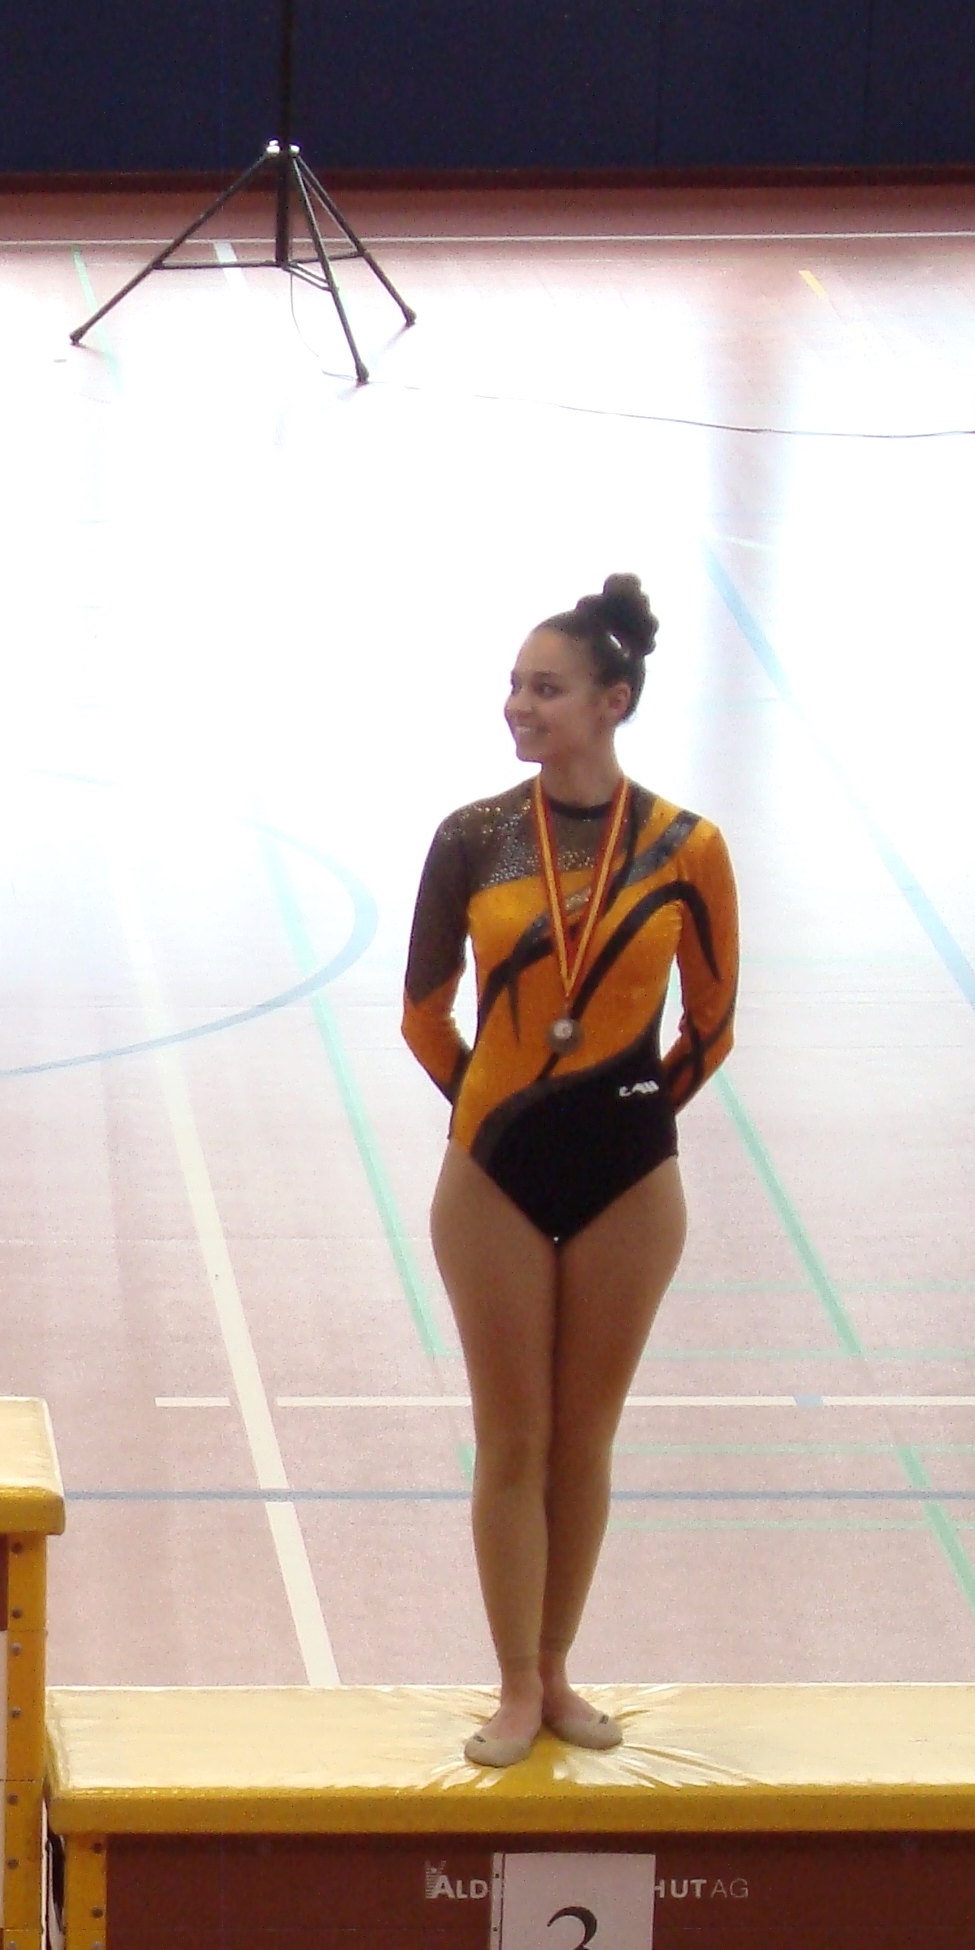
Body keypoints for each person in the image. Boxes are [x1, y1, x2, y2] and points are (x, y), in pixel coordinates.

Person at [401, 575, 738, 1764]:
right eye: (513, 686)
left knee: (584, 1438)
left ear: (612, 701)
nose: (517, 707)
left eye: (544, 689)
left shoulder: (688, 850)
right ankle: (508, 1684)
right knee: (513, 1437)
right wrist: (498, 1114)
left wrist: (625, 1115)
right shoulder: (473, 838)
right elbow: (421, 1015)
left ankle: (554, 1672)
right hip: (492, 1174)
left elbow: (711, 1024)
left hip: (629, 1181)